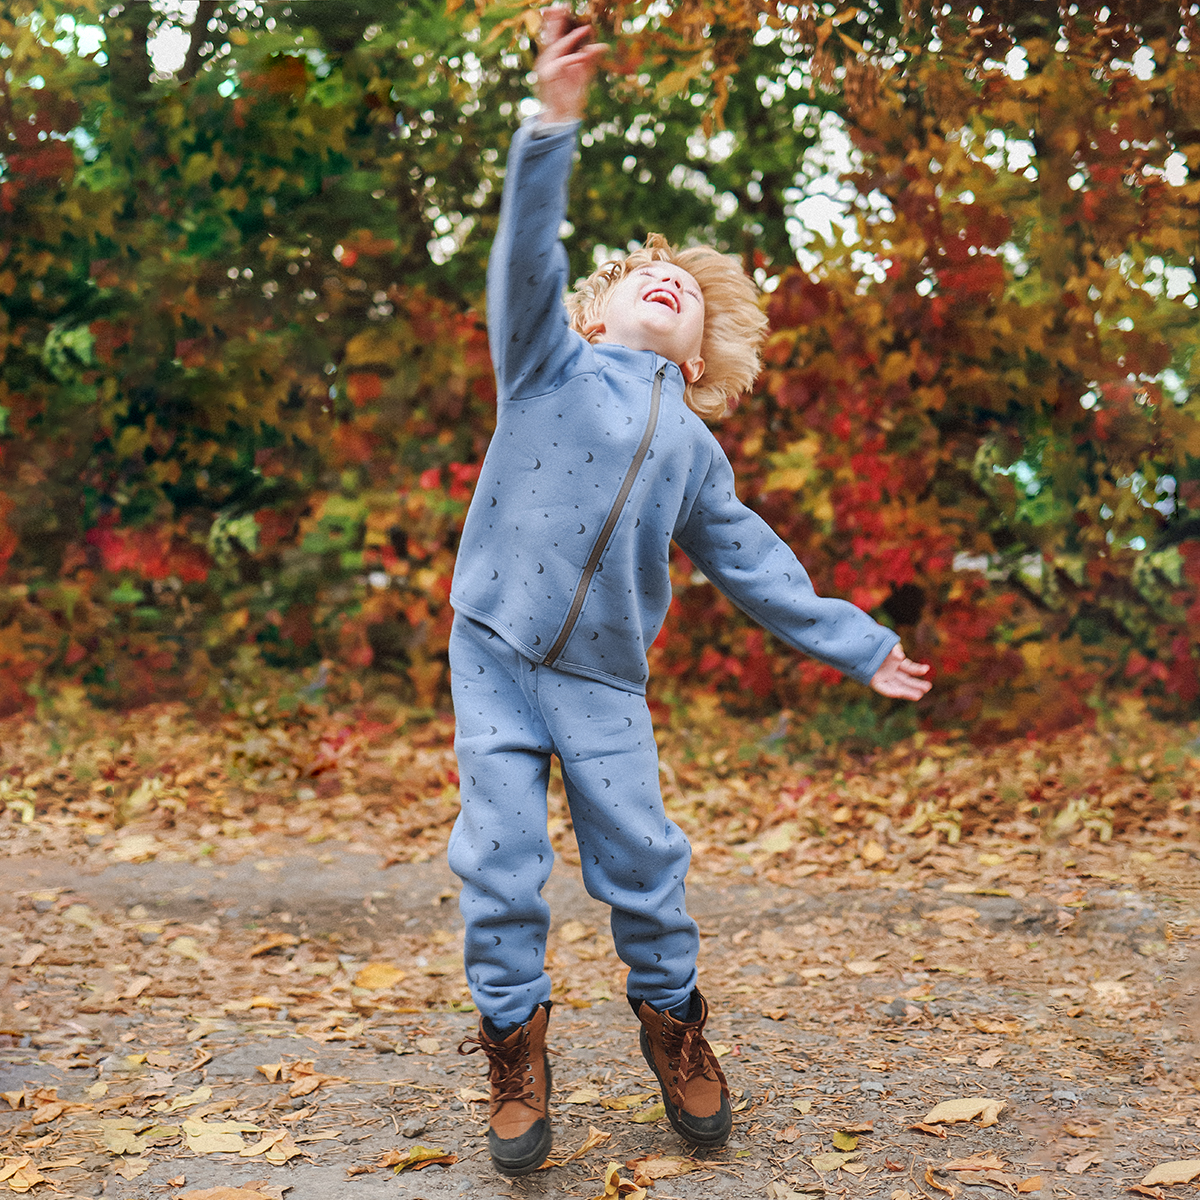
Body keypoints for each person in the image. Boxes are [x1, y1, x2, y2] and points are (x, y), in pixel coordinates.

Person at [449, 7, 931, 1177]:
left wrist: (858, 643)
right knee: (499, 856)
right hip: (496, 650)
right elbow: (528, 252)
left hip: (606, 681)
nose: (663, 280)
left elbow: (760, 565)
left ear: (707, 359)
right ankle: (517, 1044)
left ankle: (674, 1027)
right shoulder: (544, 363)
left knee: (644, 867)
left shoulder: (697, 453)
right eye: (640, 276)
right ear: (590, 314)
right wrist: (549, 127)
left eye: (687, 289)